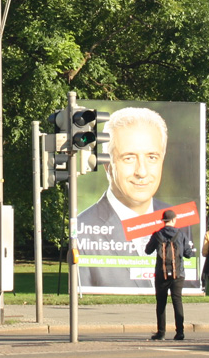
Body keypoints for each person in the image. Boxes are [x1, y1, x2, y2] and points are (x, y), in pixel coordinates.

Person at [78, 107, 171, 290]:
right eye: (129, 158)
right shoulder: (83, 229)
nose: (142, 172)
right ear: (107, 164)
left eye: (152, 157)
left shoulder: (183, 222)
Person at [145, 209, 194, 340]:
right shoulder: (181, 234)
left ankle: (161, 332)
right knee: (177, 301)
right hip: (178, 274)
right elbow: (189, 254)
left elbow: (148, 251)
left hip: (162, 274)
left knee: (161, 303)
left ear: (163, 221)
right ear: (174, 220)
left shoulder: (157, 234)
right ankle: (180, 332)